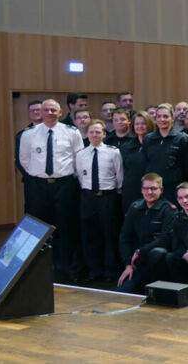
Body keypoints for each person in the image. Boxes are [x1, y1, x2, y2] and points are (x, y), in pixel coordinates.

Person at [19, 99, 85, 281]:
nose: (49, 113)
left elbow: (78, 158)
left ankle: (63, 269)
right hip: (38, 187)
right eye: (46, 110)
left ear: (61, 112)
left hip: (64, 185)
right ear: (40, 112)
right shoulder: (29, 134)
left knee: (65, 227)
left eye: (53, 110)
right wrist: (39, 175)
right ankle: (38, 268)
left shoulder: (71, 132)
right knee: (38, 227)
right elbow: (24, 160)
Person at [74, 120, 124, 283]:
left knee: (109, 234)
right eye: (91, 132)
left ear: (104, 134)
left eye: (98, 132)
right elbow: (81, 177)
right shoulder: (81, 154)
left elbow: (119, 176)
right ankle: (94, 270)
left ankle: (110, 270)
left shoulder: (113, 152)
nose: (94, 135)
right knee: (90, 235)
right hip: (88, 198)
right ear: (87, 134)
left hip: (108, 197)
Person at [118, 173, 175, 292]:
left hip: (155, 259)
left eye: (153, 189)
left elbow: (165, 239)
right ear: (141, 190)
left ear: (161, 190)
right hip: (136, 262)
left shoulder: (168, 209)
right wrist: (128, 264)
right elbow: (125, 237)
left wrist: (141, 251)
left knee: (158, 253)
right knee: (122, 292)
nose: (149, 192)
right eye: (146, 188)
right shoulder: (135, 207)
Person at [143, 104, 188, 203]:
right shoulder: (148, 139)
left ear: (172, 118)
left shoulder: (182, 138)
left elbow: (187, 166)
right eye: (159, 116)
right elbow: (146, 163)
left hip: (174, 188)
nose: (162, 119)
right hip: (153, 189)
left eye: (165, 116)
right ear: (155, 119)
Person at [162, 182, 188, 284]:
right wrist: (185, 254)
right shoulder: (177, 218)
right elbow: (176, 244)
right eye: (180, 198)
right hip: (183, 255)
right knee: (170, 257)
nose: (184, 201)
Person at [120, 112, 154, 215]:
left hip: (151, 190)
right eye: (137, 124)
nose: (140, 126)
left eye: (143, 123)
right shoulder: (126, 146)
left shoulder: (156, 144)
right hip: (131, 190)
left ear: (149, 125)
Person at [14, 100, 43, 178]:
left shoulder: (57, 131)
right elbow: (19, 160)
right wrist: (29, 176)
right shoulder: (22, 135)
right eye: (32, 111)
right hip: (33, 180)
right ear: (29, 114)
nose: (35, 112)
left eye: (38, 110)